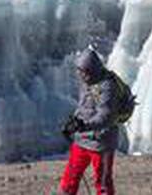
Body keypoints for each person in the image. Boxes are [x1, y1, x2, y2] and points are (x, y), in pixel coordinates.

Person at [59, 48, 124, 195]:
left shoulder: (108, 86)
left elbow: (106, 117)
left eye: (84, 71)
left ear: (92, 69)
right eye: (80, 70)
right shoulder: (87, 82)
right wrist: (73, 124)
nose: (80, 74)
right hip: (82, 140)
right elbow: (83, 107)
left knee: (103, 185)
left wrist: (83, 126)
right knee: (69, 181)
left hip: (102, 144)